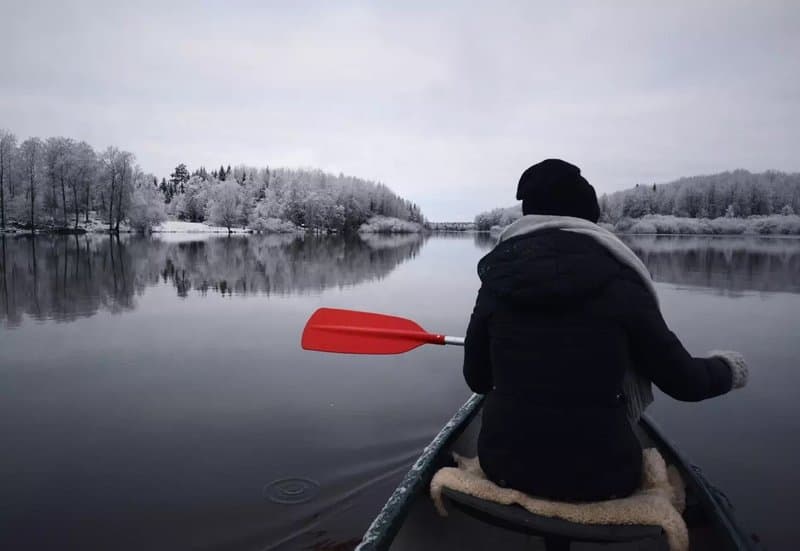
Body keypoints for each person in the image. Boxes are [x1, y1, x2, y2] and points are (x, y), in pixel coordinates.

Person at [463, 159, 749, 502]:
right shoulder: (620, 279)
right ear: (589, 217)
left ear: (527, 215)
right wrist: (729, 369)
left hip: (504, 467)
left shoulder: (497, 280)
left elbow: (477, 379)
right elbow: (684, 381)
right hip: (603, 477)